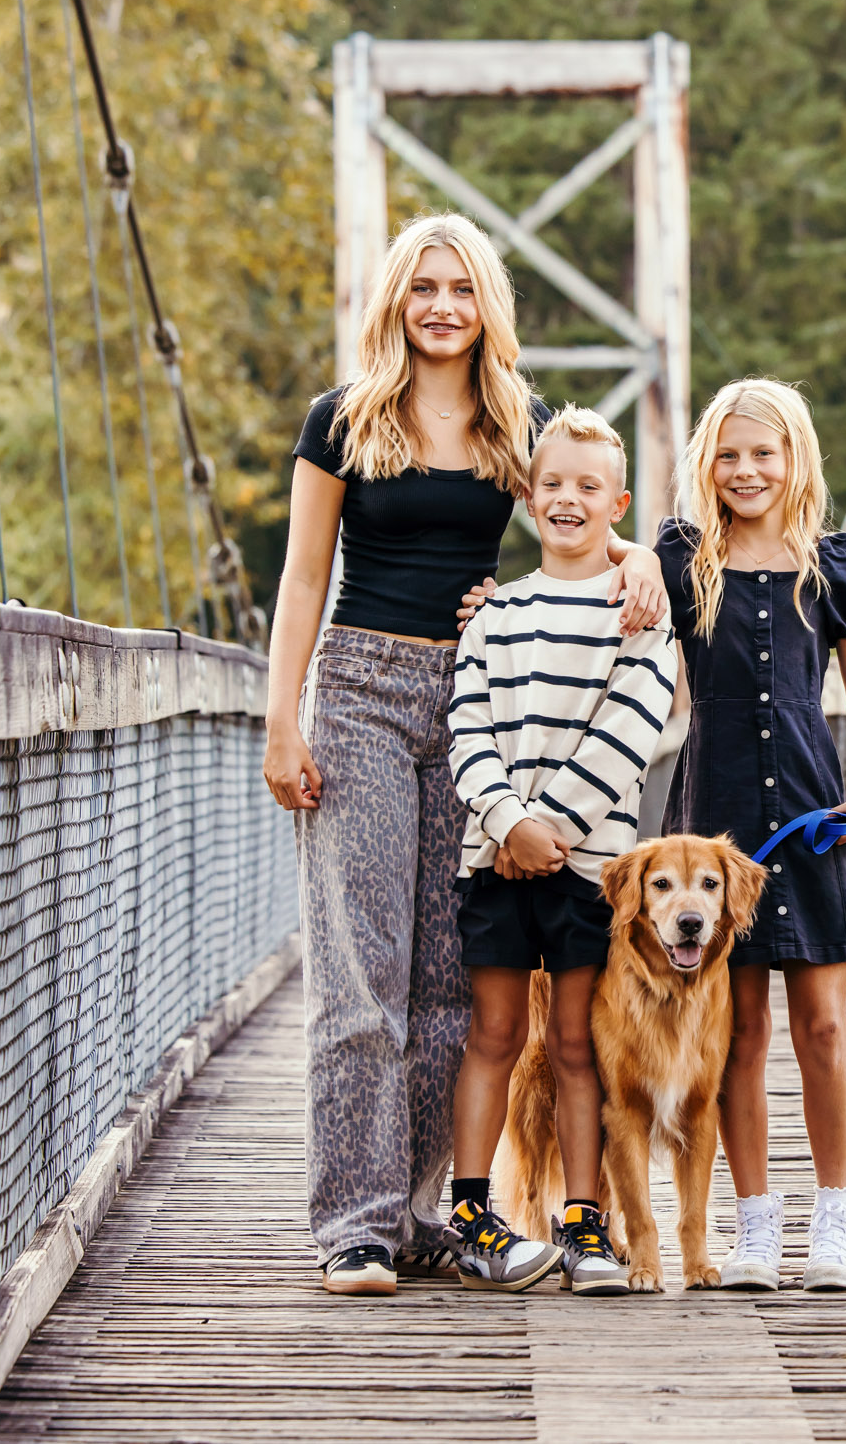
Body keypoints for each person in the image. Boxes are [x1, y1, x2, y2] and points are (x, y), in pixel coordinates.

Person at [261, 212, 666, 1298]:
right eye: (422, 286)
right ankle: (353, 1224)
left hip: (482, 701)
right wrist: (281, 713)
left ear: (487, 302)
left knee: (455, 978)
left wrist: (640, 563)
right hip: (358, 691)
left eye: (462, 287)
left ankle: (416, 1209)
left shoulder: (515, 418)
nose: (441, 305)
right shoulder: (341, 418)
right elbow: (302, 577)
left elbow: (581, 503)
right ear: (395, 299)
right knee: (363, 971)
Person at [657, 378, 846, 1293]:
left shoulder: (835, 566)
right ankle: (754, 1225)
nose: (747, 470)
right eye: (729, 454)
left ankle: (833, 1218)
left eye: (764, 453)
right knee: (739, 1035)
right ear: (705, 465)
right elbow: (603, 596)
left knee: (825, 1026)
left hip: (813, 816)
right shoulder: (682, 560)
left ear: (795, 458)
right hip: (714, 838)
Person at [441, 407, 678, 1294]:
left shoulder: (640, 614)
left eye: (588, 487)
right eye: (552, 485)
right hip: (496, 859)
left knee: (579, 1044)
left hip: (587, 871)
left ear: (617, 502)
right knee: (495, 1031)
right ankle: (472, 1208)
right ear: (527, 497)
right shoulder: (493, 614)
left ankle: (584, 1223)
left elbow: (632, 728)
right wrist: (507, 820)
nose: (568, 500)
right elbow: (467, 722)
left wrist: (552, 829)